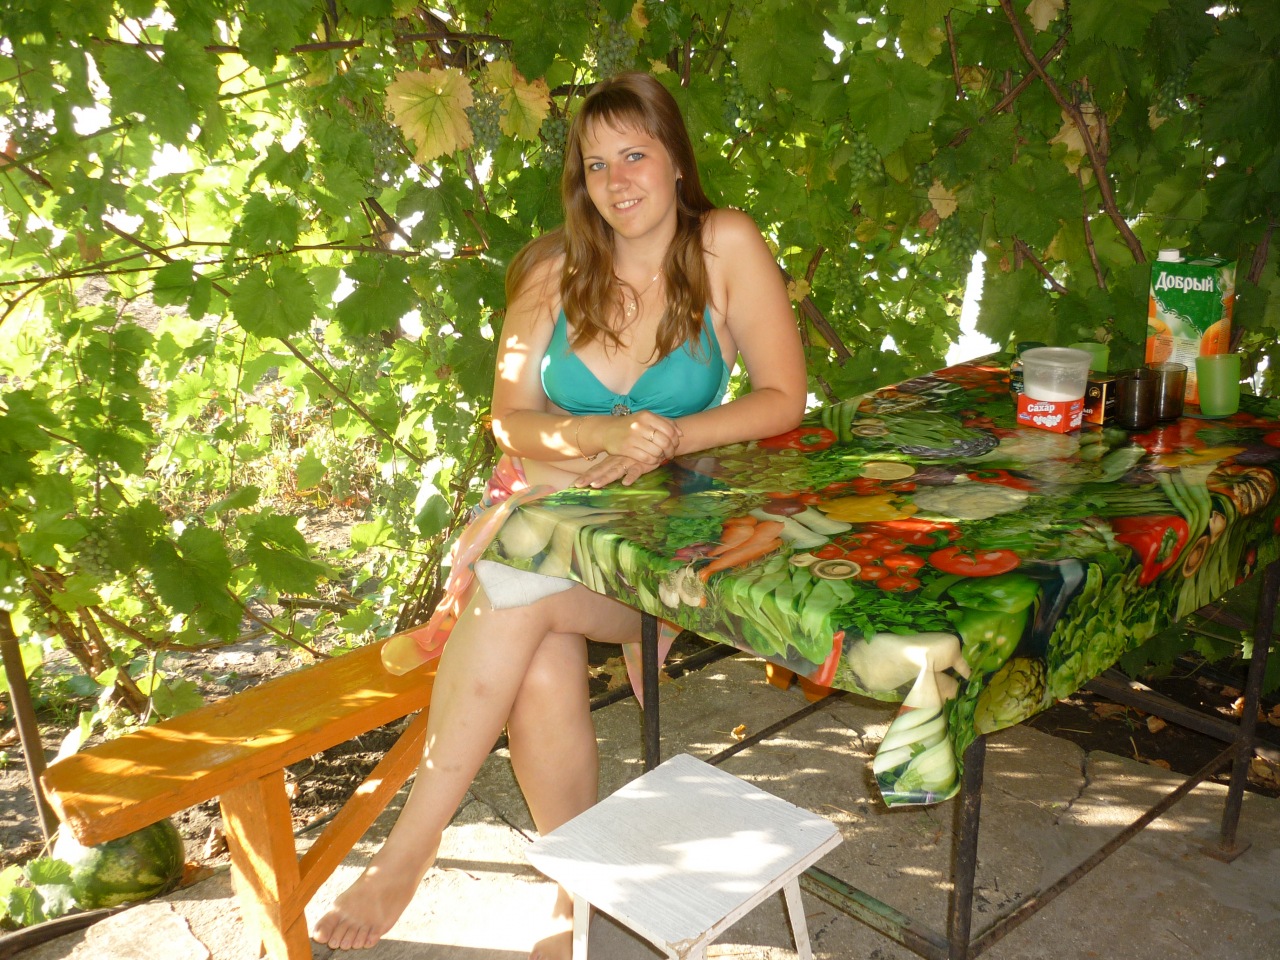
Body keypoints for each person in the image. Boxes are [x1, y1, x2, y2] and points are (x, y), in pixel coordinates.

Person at [311, 72, 807, 959]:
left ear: (675, 158)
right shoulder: (553, 269)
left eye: (635, 154)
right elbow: (510, 419)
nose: (617, 180)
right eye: (596, 163)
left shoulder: (724, 244)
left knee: (516, 590)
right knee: (532, 633)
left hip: (654, 554)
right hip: (542, 523)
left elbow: (782, 398)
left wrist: (667, 439)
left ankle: (410, 849)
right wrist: (594, 434)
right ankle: (569, 894)